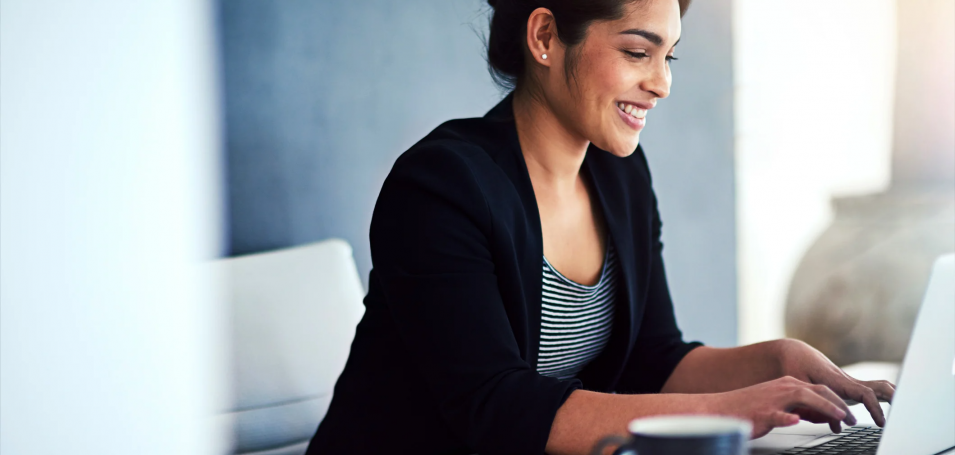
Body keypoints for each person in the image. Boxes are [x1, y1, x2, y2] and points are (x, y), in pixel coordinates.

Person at [306, 0, 896, 453]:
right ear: (544, 37)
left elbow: (653, 360)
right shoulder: (439, 186)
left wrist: (778, 360)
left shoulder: (619, 173)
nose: (662, 82)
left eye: (669, 56)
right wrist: (735, 408)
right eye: (638, 53)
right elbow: (495, 407)